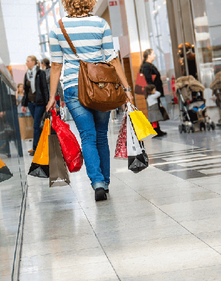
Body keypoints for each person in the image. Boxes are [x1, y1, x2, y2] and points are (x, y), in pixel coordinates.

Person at [46, 0, 134, 201]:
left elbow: (56, 66)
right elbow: (112, 59)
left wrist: (52, 97)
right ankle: (105, 181)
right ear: (90, 2)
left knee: (88, 136)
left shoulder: (57, 28)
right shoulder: (101, 24)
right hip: (100, 86)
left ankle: (97, 183)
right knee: (101, 136)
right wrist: (126, 88)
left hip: (72, 86)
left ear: (67, 3)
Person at [21, 55, 49, 156]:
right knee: (37, 126)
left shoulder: (40, 73)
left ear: (33, 62)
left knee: (36, 125)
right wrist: (24, 104)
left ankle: (35, 148)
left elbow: (45, 89)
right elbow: (26, 90)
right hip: (30, 103)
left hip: (39, 103)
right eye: (26, 61)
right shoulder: (26, 75)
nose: (26, 63)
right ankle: (43, 145)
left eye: (28, 61)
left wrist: (47, 103)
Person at [140, 49, 167, 136]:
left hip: (153, 93)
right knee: (154, 112)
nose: (154, 55)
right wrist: (153, 91)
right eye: (153, 54)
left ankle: (157, 129)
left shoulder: (149, 65)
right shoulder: (147, 66)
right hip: (152, 95)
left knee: (155, 111)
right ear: (149, 55)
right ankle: (155, 130)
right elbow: (148, 80)